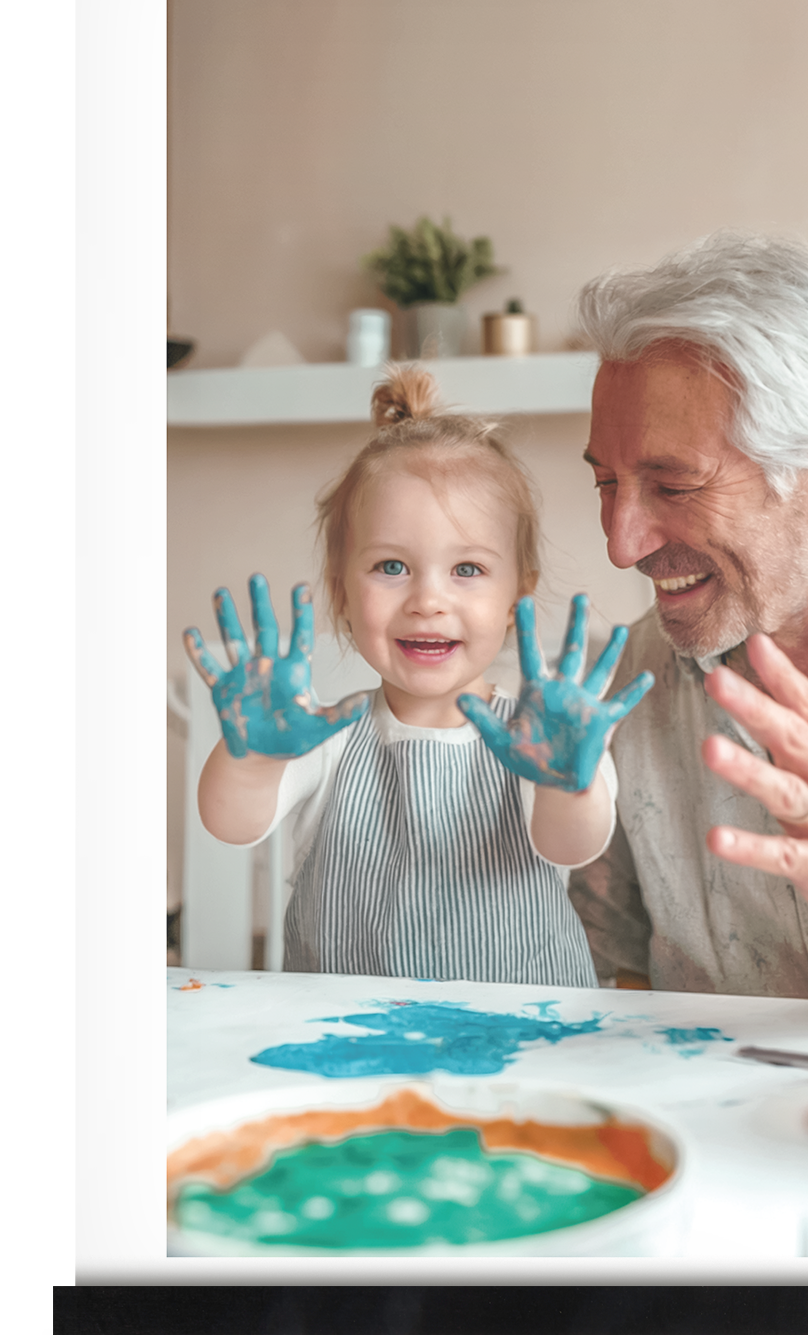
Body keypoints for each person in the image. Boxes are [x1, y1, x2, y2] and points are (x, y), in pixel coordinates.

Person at [567, 231, 808, 1003]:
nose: (622, 543)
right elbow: (612, 979)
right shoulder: (619, 686)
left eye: (672, 486)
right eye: (606, 483)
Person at [185, 366, 651, 988]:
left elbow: (573, 847)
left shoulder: (544, 739)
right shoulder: (325, 739)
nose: (428, 600)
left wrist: (571, 784)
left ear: (519, 593)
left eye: (467, 570)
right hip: (345, 1037)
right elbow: (229, 822)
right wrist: (252, 762)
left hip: (523, 1038)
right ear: (341, 592)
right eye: (392, 565)